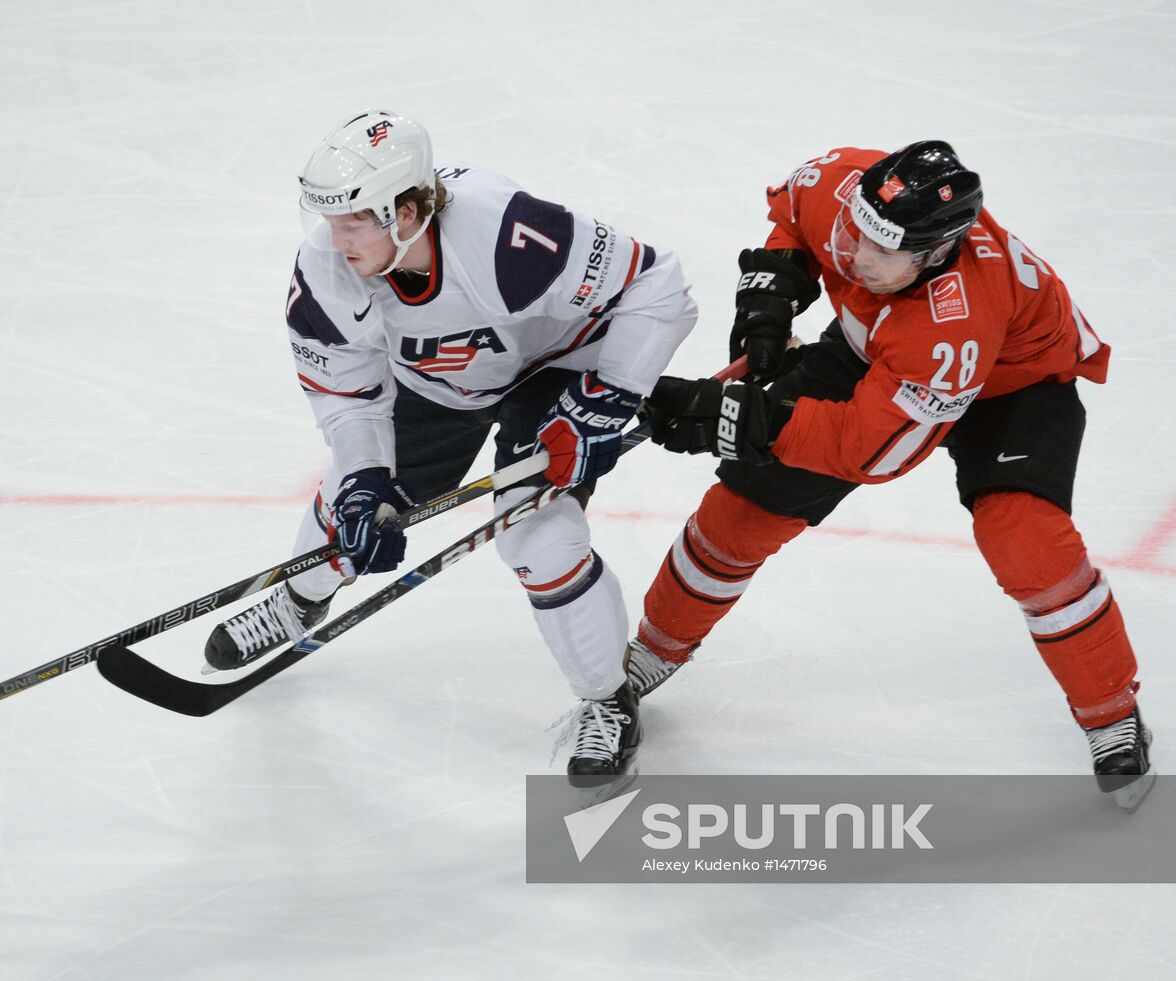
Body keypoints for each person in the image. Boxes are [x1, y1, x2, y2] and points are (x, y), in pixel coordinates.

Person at [628, 140, 1152, 804]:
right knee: (741, 514)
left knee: (1027, 545)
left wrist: (732, 417)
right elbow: (793, 213)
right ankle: (652, 651)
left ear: (934, 254)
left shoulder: (952, 320)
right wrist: (772, 300)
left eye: (882, 252)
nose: (856, 256)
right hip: (878, 346)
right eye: (855, 231)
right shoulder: (847, 187)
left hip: (1010, 384)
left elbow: (869, 451)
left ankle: (1109, 710)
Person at [206, 110, 698, 780]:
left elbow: (656, 284)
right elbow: (348, 396)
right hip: (443, 383)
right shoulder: (327, 269)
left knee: (535, 532)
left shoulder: (505, 236)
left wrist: (606, 402)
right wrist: (364, 480)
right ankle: (298, 600)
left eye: (353, 221)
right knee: (349, 504)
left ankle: (608, 700)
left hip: (555, 366)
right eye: (329, 220)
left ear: (406, 213)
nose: (335, 238)